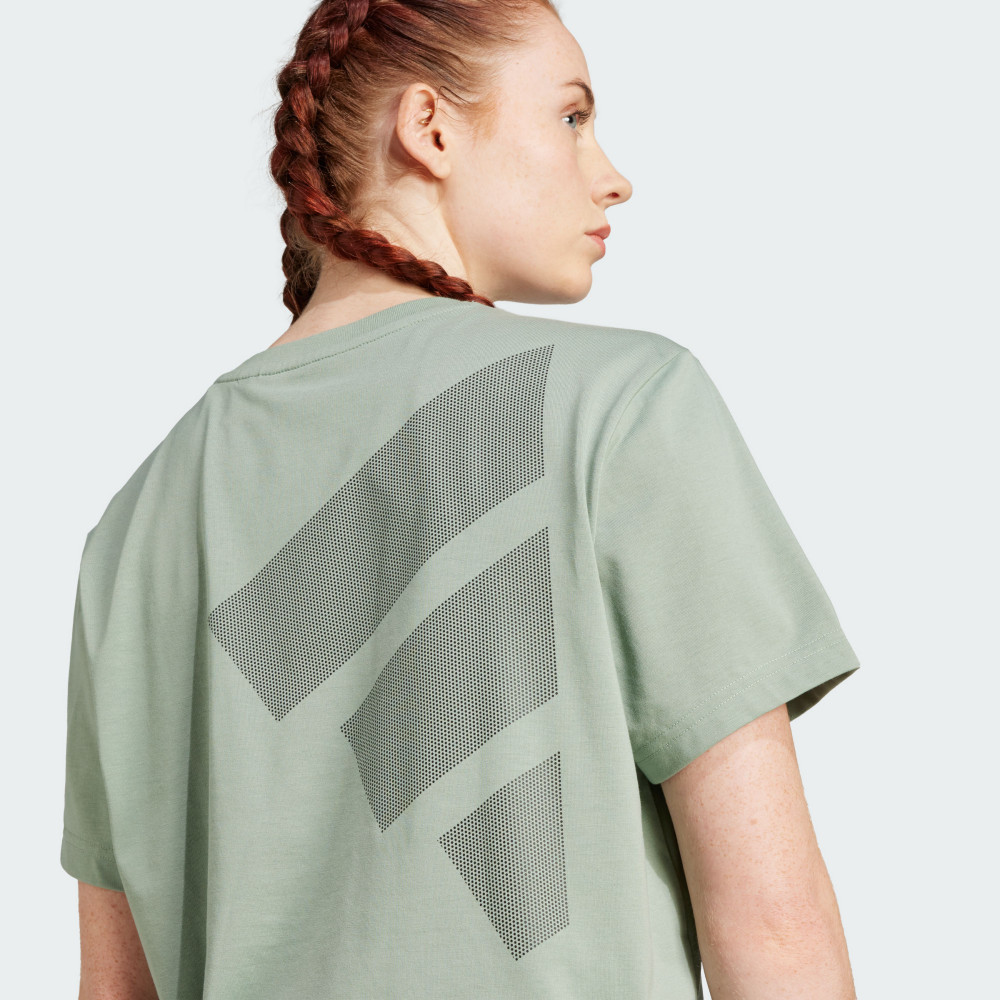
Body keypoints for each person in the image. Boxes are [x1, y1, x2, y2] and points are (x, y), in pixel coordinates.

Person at [60, 1, 861, 998]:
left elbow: (113, 988)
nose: (611, 174)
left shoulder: (136, 526)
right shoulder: (620, 409)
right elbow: (772, 931)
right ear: (429, 129)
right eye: (571, 117)